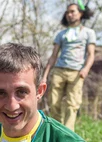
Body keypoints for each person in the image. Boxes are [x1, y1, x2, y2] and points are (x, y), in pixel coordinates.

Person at [41, 2, 96, 131]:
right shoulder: (61, 34)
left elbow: (91, 54)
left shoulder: (88, 33)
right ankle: (57, 131)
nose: (69, 14)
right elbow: (53, 56)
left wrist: (86, 69)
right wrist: (44, 76)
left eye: (72, 12)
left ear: (80, 13)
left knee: (72, 105)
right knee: (54, 103)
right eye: (67, 12)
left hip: (76, 72)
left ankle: (67, 134)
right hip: (59, 71)